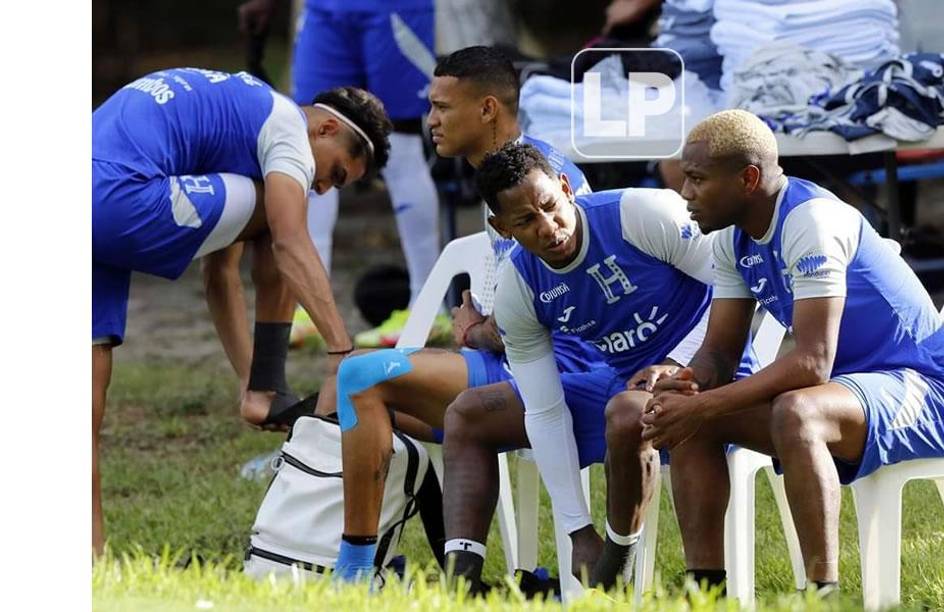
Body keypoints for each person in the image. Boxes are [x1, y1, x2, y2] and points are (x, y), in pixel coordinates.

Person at [642, 110, 944, 596]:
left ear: (749, 179)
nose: (685, 193)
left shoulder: (811, 220)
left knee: (798, 412)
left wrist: (706, 401)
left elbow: (811, 362)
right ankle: (706, 593)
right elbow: (718, 353)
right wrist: (685, 384)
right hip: (846, 396)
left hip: (930, 393)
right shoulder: (731, 238)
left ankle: (823, 595)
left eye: (697, 179)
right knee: (692, 418)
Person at [326, 46, 607, 584]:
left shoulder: (540, 177)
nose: (430, 120)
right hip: (515, 358)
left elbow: (564, 305)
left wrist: (479, 329)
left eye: (441, 107)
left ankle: (354, 572)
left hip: (559, 367)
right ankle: (334, 553)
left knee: (359, 376)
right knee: (341, 394)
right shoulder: (496, 178)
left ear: (487, 110)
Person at [92, 68, 393, 556]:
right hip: (116, 196)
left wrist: (247, 384)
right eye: (334, 174)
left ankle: (91, 561)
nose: (322, 187)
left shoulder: (239, 123)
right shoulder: (289, 131)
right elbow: (288, 242)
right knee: (285, 217)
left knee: (85, 410)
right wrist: (342, 347)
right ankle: (266, 387)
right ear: (326, 129)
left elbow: (220, 279)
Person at [437, 142, 755, 592]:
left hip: (715, 365)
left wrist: (679, 362)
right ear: (501, 228)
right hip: (624, 384)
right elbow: (544, 411)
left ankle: (615, 570)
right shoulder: (519, 288)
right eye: (526, 221)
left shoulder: (640, 213)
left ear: (565, 188)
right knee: (469, 412)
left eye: (549, 206)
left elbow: (735, 281)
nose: (549, 228)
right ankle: (459, 589)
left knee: (626, 412)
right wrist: (576, 530)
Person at [238, 0, 445, 348]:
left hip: (393, 9)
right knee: (309, 140)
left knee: (402, 146)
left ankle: (427, 306)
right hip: (324, 10)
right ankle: (309, 308)